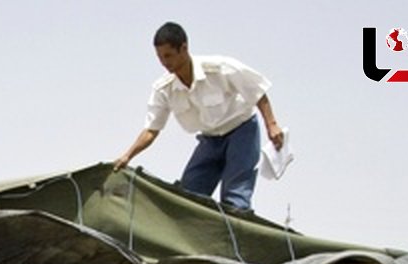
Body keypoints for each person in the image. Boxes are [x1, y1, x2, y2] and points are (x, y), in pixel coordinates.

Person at [113, 21, 284, 210]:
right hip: (210, 140)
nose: (164, 62)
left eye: (168, 55)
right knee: (188, 195)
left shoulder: (220, 68)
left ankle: (234, 236)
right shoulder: (164, 89)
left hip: (242, 132)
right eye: (160, 57)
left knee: (235, 199)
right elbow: (152, 129)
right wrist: (127, 156)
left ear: (184, 48)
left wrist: (272, 125)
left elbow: (257, 91)